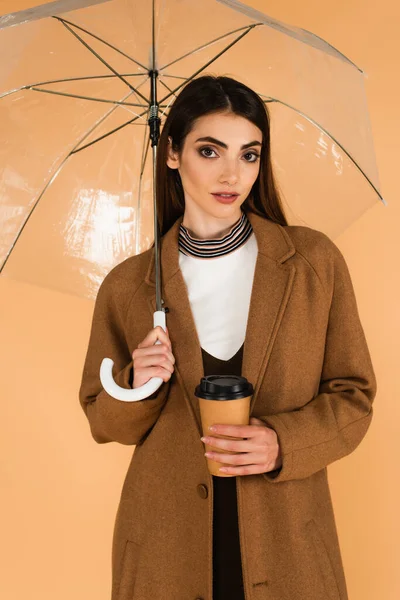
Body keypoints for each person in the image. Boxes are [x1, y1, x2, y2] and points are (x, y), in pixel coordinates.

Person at [79, 75, 377, 600]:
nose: (231, 173)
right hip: (164, 543)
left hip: (287, 538)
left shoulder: (312, 262)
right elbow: (104, 419)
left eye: (249, 153)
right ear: (172, 153)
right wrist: (137, 382)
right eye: (210, 150)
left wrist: (283, 443)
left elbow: (353, 396)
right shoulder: (129, 285)